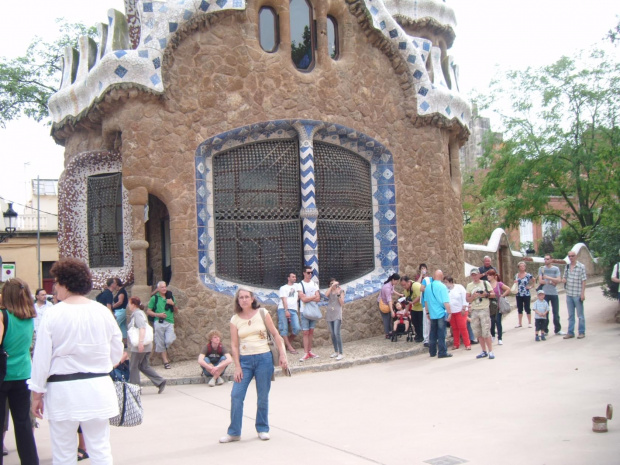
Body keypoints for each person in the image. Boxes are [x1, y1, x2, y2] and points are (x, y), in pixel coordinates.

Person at [29, 258, 123, 464]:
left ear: (65, 283)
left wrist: (37, 393)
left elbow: (41, 358)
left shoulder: (53, 314)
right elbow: (117, 350)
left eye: (56, 282)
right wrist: (100, 363)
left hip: (63, 390)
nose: (55, 287)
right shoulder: (102, 311)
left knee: (63, 452)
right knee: (100, 449)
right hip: (97, 386)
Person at [219, 288, 288, 443]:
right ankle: (234, 432)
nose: (244, 300)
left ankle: (262, 428)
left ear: (252, 299)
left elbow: (275, 334)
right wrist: (237, 366)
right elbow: (234, 345)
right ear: (238, 301)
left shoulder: (262, 313)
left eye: (246, 297)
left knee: (262, 396)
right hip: (245, 362)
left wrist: (283, 354)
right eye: (241, 297)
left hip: (264, 358)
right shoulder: (235, 319)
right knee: (236, 395)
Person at [0, 278, 39, 464]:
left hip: (4, 374)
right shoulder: (29, 317)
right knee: (23, 423)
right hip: (23, 373)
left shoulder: (3, 316)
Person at [127, 297, 167, 393]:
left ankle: (135, 388)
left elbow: (142, 328)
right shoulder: (141, 313)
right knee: (143, 366)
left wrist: (140, 342)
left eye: (129, 303)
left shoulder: (137, 314)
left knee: (134, 366)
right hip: (147, 345)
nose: (128, 306)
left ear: (133, 305)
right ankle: (160, 381)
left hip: (140, 346)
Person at [147, 281, 178, 369]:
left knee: (168, 340)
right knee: (160, 342)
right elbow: (148, 311)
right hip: (159, 322)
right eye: (162, 287)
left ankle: (164, 352)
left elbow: (176, 310)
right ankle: (165, 361)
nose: (164, 289)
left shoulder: (171, 296)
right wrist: (158, 315)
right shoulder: (154, 298)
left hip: (170, 322)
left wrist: (173, 304)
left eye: (165, 287)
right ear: (158, 289)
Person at [466, 268, 496, 359]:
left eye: (476, 274)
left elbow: (493, 294)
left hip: (484, 309)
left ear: (479, 274)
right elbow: (467, 299)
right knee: (478, 332)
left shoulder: (485, 283)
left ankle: (490, 351)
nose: (474, 276)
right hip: (474, 310)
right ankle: (483, 350)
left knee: (486, 331)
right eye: (473, 275)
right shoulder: (469, 286)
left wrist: (485, 294)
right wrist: (473, 296)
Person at [424, 270, 452, 358]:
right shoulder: (442, 287)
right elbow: (446, 302)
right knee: (441, 333)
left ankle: (432, 352)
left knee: (432, 333)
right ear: (442, 276)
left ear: (434, 276)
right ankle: (442, 352)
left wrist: (427, 312)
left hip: (432, 313)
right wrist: (450, 313)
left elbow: (426, 301)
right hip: (440, 313)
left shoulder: (428, 287)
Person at [562, 251, 587, 339]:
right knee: (571, 315)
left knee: (580, 315)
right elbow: (564, 277)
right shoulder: (567, 267)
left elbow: (584, 280)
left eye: (572, 256)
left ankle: (581, 332)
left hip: (577, 293)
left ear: (576, 256)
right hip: (569, 293)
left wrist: (582, 293)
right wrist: (564, 280)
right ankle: (570, 332)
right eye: (569, 256)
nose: (571, 258)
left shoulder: (581, 266)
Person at [538, 254, 565, 335]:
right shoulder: (541, 269)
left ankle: (557, 330)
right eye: (545, 259)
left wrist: (548, 278)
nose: (546, 260)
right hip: (544, 294)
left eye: (547, 259)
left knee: (556, 313)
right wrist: (551, 282)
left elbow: (559, 280)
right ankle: (545, 330)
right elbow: (541, 281)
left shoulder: (555, 269)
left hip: (554, 293)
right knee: (545, 313)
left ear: (551, 260)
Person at [298, 266, 321, 361]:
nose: (310, 274)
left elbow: (318, 298)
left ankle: (309, 351)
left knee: (311, 331)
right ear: (304, 273)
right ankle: (305, 352)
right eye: (308, 272)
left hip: (313, 311)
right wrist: (313, 297)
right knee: (305, 332)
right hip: (304, 311)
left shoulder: (314, 284)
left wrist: (308, 297)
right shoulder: (300, 285)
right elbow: (303, 299)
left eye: (311, 272)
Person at [276, 272, 301, 354]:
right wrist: (286, 310)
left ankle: (287, 343)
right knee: (284, 328)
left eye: (295, 277)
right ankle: (289, 347)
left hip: (293, 309)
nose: (294, 278)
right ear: (288, 278)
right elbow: (284, 299)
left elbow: (300, 295)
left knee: (297, 328)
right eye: (293, 277)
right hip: (283, 309)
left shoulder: (297, 286)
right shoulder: (283, 288)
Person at [444, 275, 470, 350]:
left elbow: (464, 298)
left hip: (460, 310)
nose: (445, 284)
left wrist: (464, 307)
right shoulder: (445, 290)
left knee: (462, 327)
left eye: (446, 282)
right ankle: (456, 344)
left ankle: (467, 344)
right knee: (454, 328)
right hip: (452, 312)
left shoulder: (459, 287)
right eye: (444, 282)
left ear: (451, 282)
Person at [487, 269, 510, 345]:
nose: (488, 276)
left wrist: (502, 295)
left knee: (498, 321)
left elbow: (508, 289)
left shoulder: (499, 284)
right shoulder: (487, 284)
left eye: (490, 275)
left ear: (493, 276)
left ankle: (500, 338)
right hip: (490, 306)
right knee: (492, 322)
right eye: (488, 275)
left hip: (498, 305)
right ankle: (493, 335)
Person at [325, 278, 344, 360]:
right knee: (332, 334)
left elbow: (342, 303)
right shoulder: (329, 291)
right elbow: (325, 295)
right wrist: (331, 287)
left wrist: (338, 294)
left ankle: (341, 352)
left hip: (337, 314)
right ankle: (336, 351)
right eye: (332, 283)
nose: (334, 285)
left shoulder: (340, 291)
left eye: (335, 283)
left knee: (337, 333)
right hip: (330, 314)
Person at [378, 273, 402, 339]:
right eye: (396, 281)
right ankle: (387, 333)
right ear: (393, 280)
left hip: (387, 303)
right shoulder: (387, 288)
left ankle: (391, 331)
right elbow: (389, 300)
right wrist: (392, 311)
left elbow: (393, 290)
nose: (397, 282)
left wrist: (399, 294)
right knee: (386, 318)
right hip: (383, 304)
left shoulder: (391, 284)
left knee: (389, 318)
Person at [401, 276, 423, 342]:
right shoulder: (406, 290)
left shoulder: (415, 286)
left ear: (408, 282)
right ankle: (417, 335)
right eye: (402, 285)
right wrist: (405, 311)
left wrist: (412, 302)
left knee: (420, 323)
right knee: (414, 322)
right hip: (414, 307)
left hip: (421, 307)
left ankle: (421, 336)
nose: (404, 287)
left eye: (404, 285)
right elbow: (407, 301)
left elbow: (419, 296)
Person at [513, 261, 535, 328]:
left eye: (523, 266)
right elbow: (515, 282)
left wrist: (531, 287)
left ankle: (529, 322)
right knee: (519, 308)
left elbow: (534, 280)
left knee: (527, 308)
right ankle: (520, 323)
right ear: (518, 267)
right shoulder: (516, 275)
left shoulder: (528, 275)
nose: (522, 267)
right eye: (521, 266)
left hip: (526, 294)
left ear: (525, 267)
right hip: (518, 294)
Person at [417, 264, 432, 346]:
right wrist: (421, 275)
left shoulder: (429, 279)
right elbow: (418, 285)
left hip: (430, 302)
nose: (423, 269)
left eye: (424, 268)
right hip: (424, 302)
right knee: (426, 321)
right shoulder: (421, 278)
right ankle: (426, 339)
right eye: (422, 268)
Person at [112, 277, 128, 344]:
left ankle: (116, 342)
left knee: (114, 324)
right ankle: (125, 342)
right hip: (120, 310)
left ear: (116, 283)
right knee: (122, 326)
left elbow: (120, 302)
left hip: (120, 310)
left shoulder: (121, 291)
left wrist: (112, 307)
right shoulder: (119, 291)